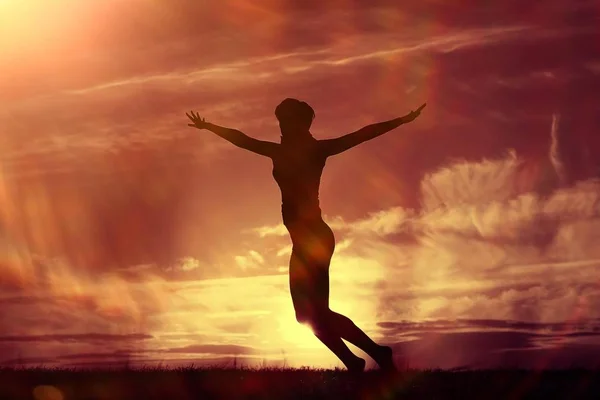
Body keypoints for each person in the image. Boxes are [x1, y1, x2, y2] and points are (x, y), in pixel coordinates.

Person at [186, 99, 426, 372]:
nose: (281, 127)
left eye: (286, 122)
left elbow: (362, 134)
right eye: (280, 122)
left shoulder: (316, 150)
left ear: (300, 124)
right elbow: (243, 140)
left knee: (318, 313)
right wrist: (209, 127)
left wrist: (402, 120)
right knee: (305, 316)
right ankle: (357, 360)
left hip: (315, 240)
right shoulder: (278, 152)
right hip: (301, 243)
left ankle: (376, 354)